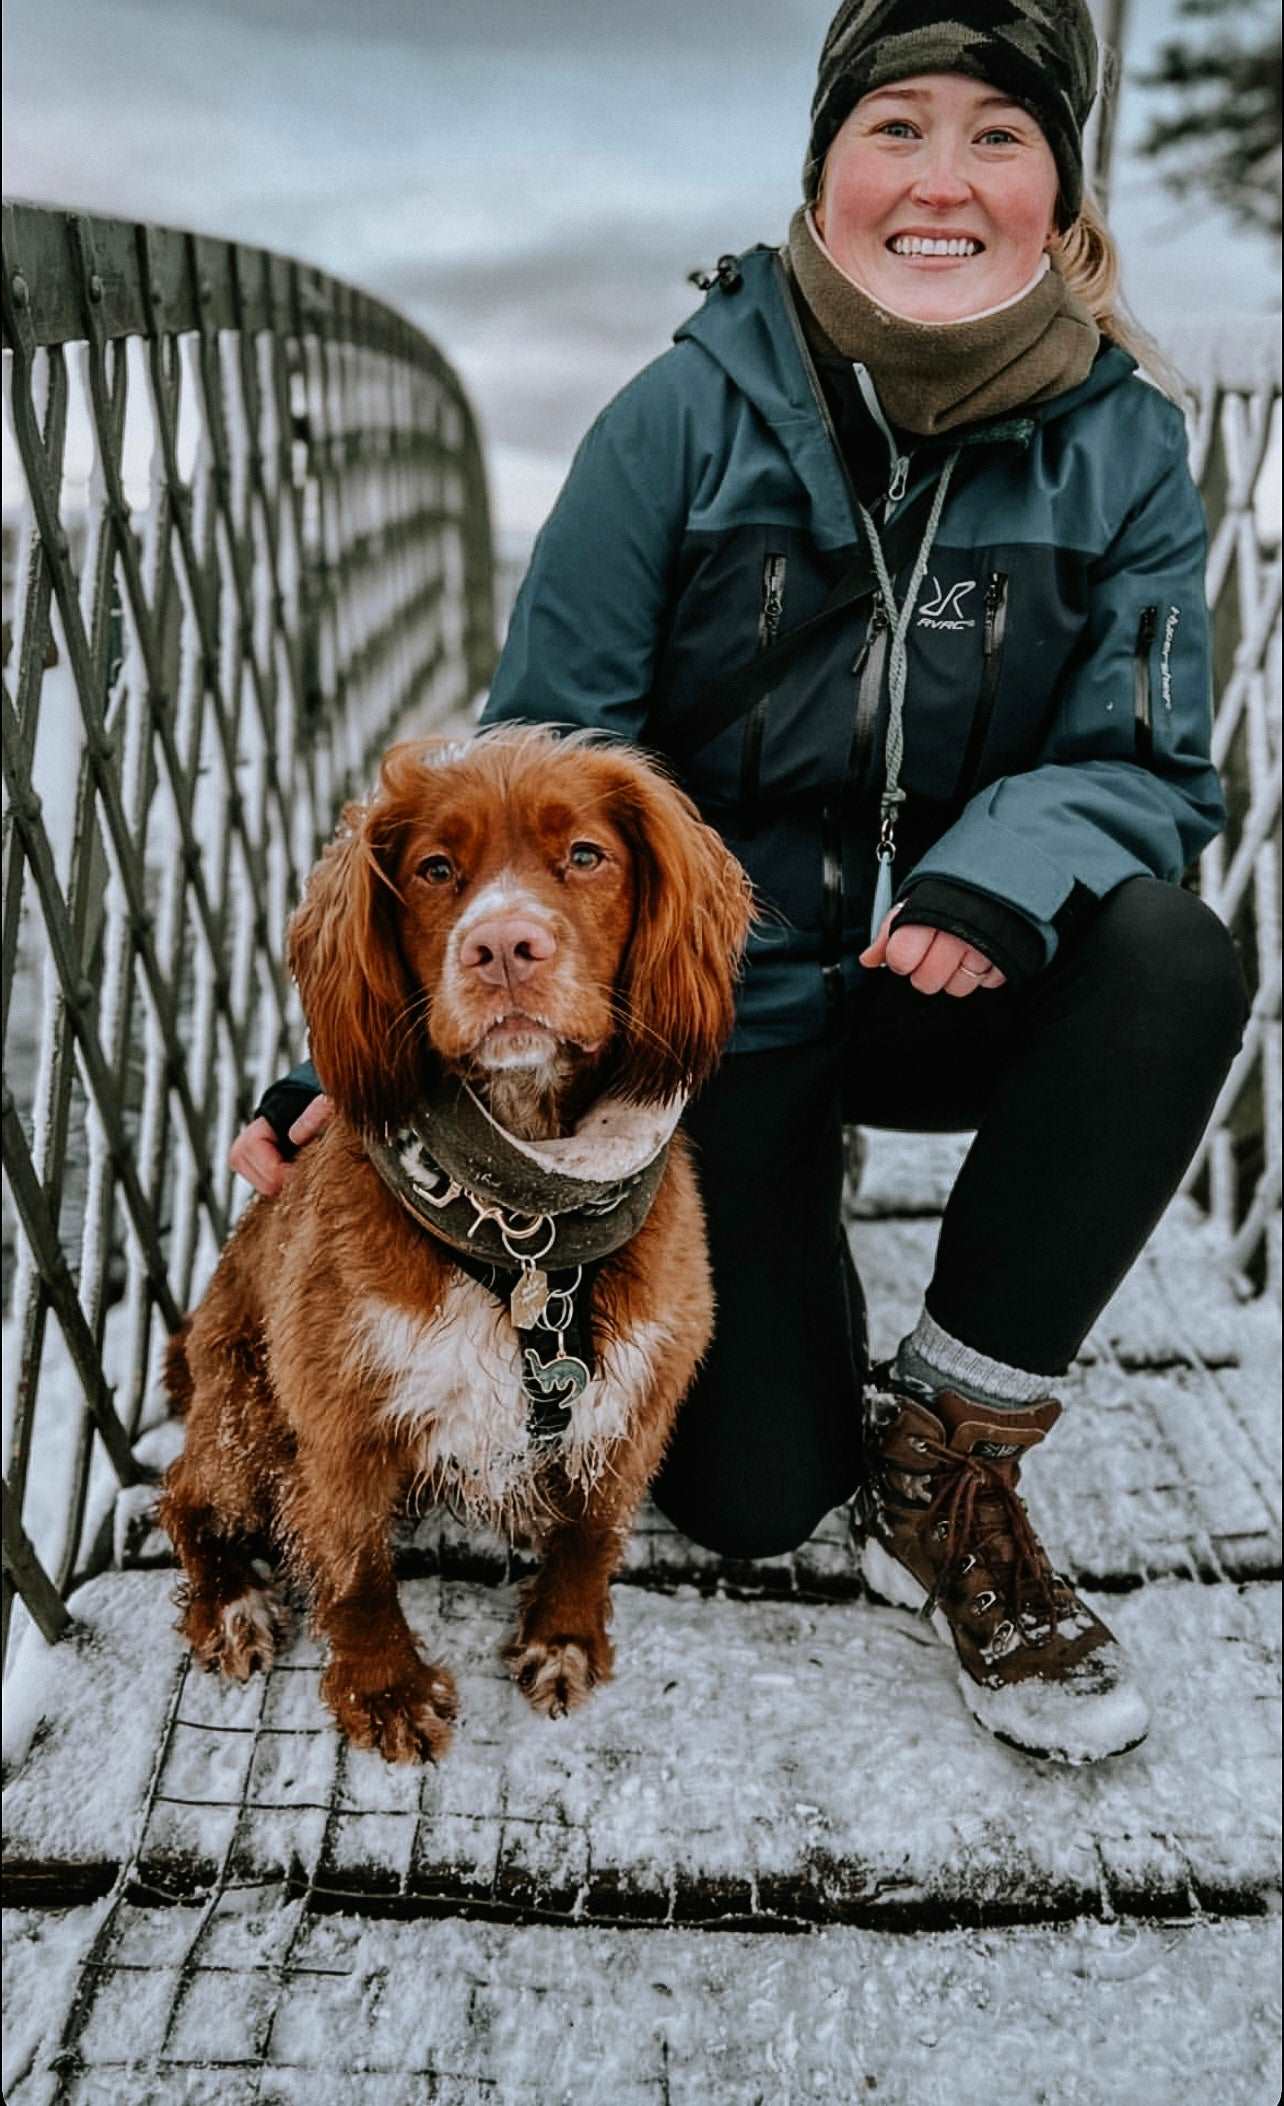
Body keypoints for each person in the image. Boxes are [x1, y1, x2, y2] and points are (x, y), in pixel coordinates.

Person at [232, 0, 1249, 1763]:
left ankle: (955, 1450)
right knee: (759, 1491)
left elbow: (1153, 765)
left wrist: (997, 878)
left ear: (1064, 191)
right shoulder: (680, 419)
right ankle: (787, 1229)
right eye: (897, 128)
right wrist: (366, 1064)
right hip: (723, 1022)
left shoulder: (1126, 443)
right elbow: (531, 776)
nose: (944, 180)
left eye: (1001, 135)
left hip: (966, 980)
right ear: (823, 170)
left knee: (1174, 957)